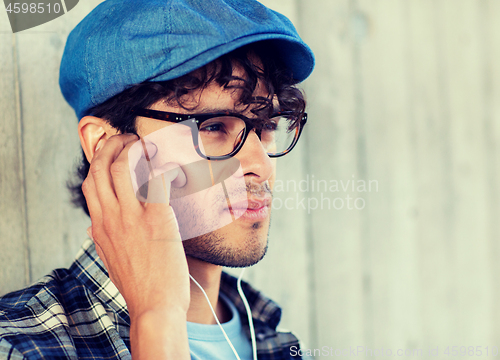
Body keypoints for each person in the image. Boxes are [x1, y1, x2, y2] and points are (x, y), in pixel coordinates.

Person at [0, 0, 314, 359]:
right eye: (212, 127)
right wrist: (156, 317)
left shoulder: (274, 344)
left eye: (266, 126)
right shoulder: (22, 347)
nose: (260, 164)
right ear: (105, 145)